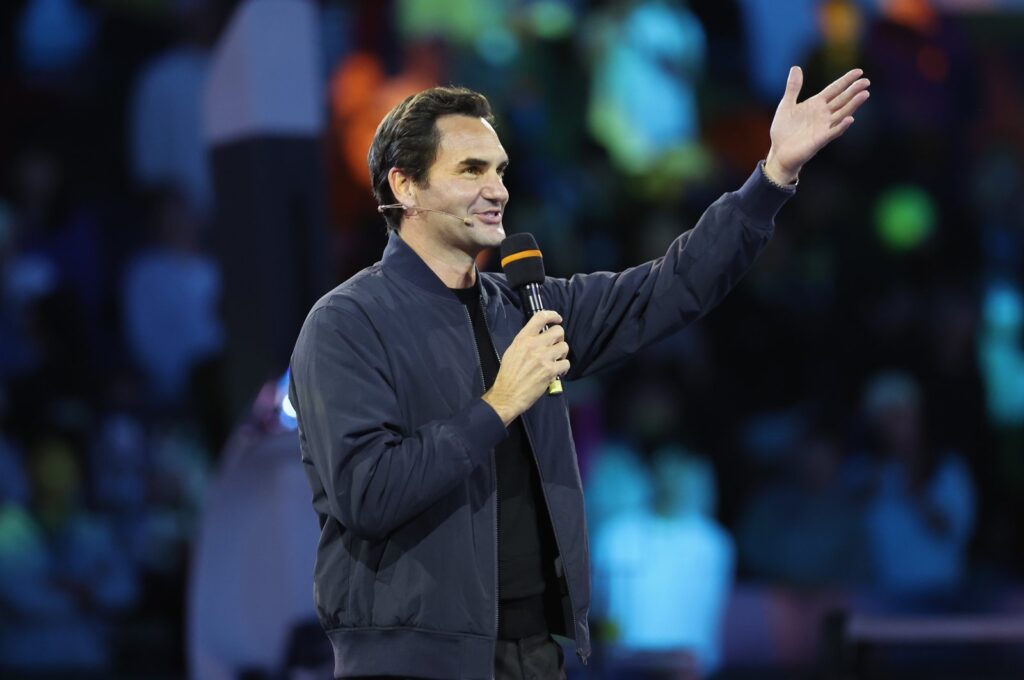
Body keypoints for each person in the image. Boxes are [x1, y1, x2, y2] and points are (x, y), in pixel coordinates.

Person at [289, 67, 870, 679]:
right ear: (404, 187)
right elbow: (367, 493)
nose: (498, 190)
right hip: (411, 661)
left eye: (501, 170)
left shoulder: (526, 307)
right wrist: (498, 404)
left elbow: (671, 287)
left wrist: (772, 176)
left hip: (536, 654)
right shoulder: (346, 324)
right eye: (472, 170)